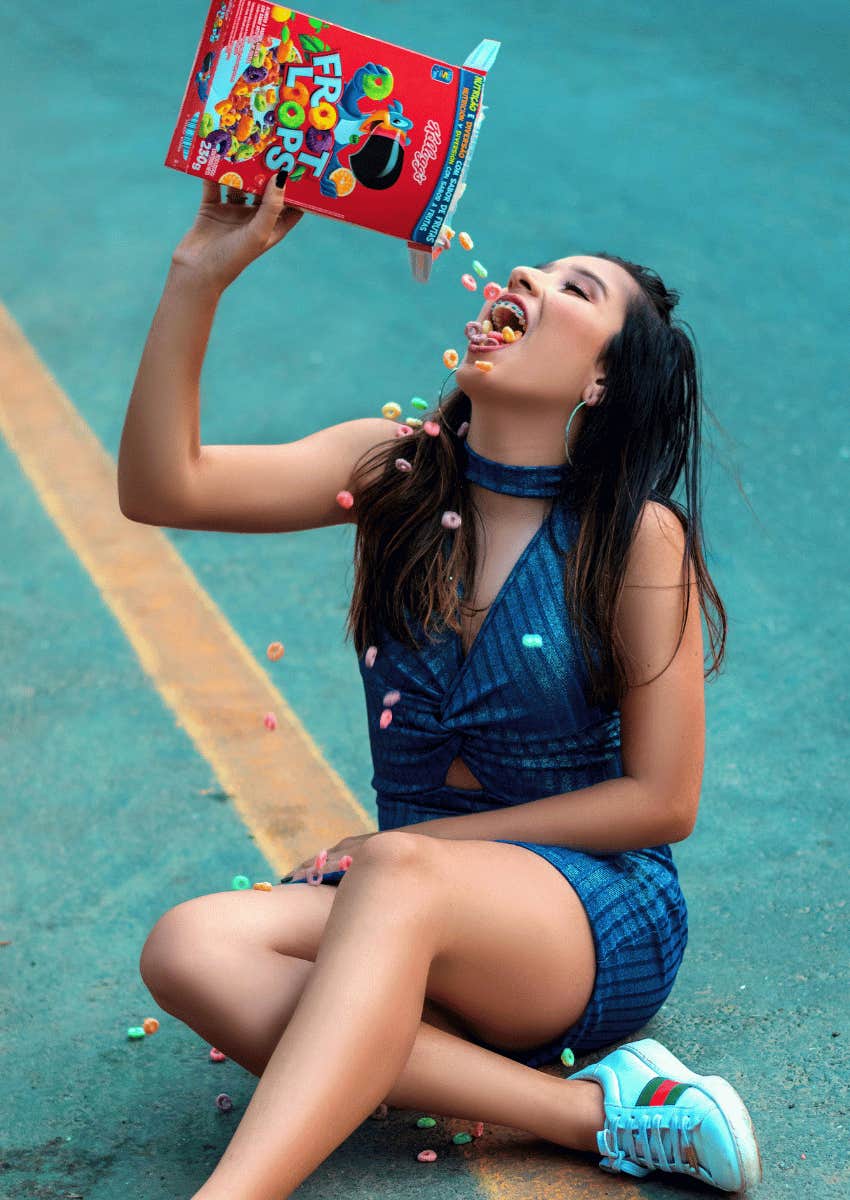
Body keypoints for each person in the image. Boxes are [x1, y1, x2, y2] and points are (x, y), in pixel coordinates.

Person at [121, 172, 763, 1199]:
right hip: (404, 902)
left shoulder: (637, 538)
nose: (525, 278)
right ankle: (597, 1113)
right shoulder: (392, 475)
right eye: (532, 272)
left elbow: (662, 800)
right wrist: (199, 273)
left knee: (394, 882)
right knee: (191, 944)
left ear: (599, 384)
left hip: (585, 920)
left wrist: (403, 849)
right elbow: (164, 486)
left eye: (575, 291)